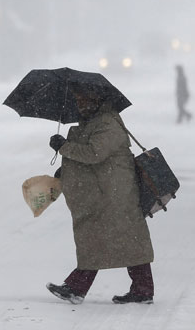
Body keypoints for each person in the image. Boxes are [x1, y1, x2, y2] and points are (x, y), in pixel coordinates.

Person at [45, 87, 155, 305]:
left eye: (84, 99)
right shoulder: (93, 122)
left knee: (105, 238)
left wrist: (64, 147)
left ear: (97, 100)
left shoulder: (108, 123)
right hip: (104, 193)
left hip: (115, 195)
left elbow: (94, 153)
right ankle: (141, 290)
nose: (80, 104)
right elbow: (90, 157)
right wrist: (67, 169)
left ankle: (78, 287)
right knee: (119, 241)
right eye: (78, 99)